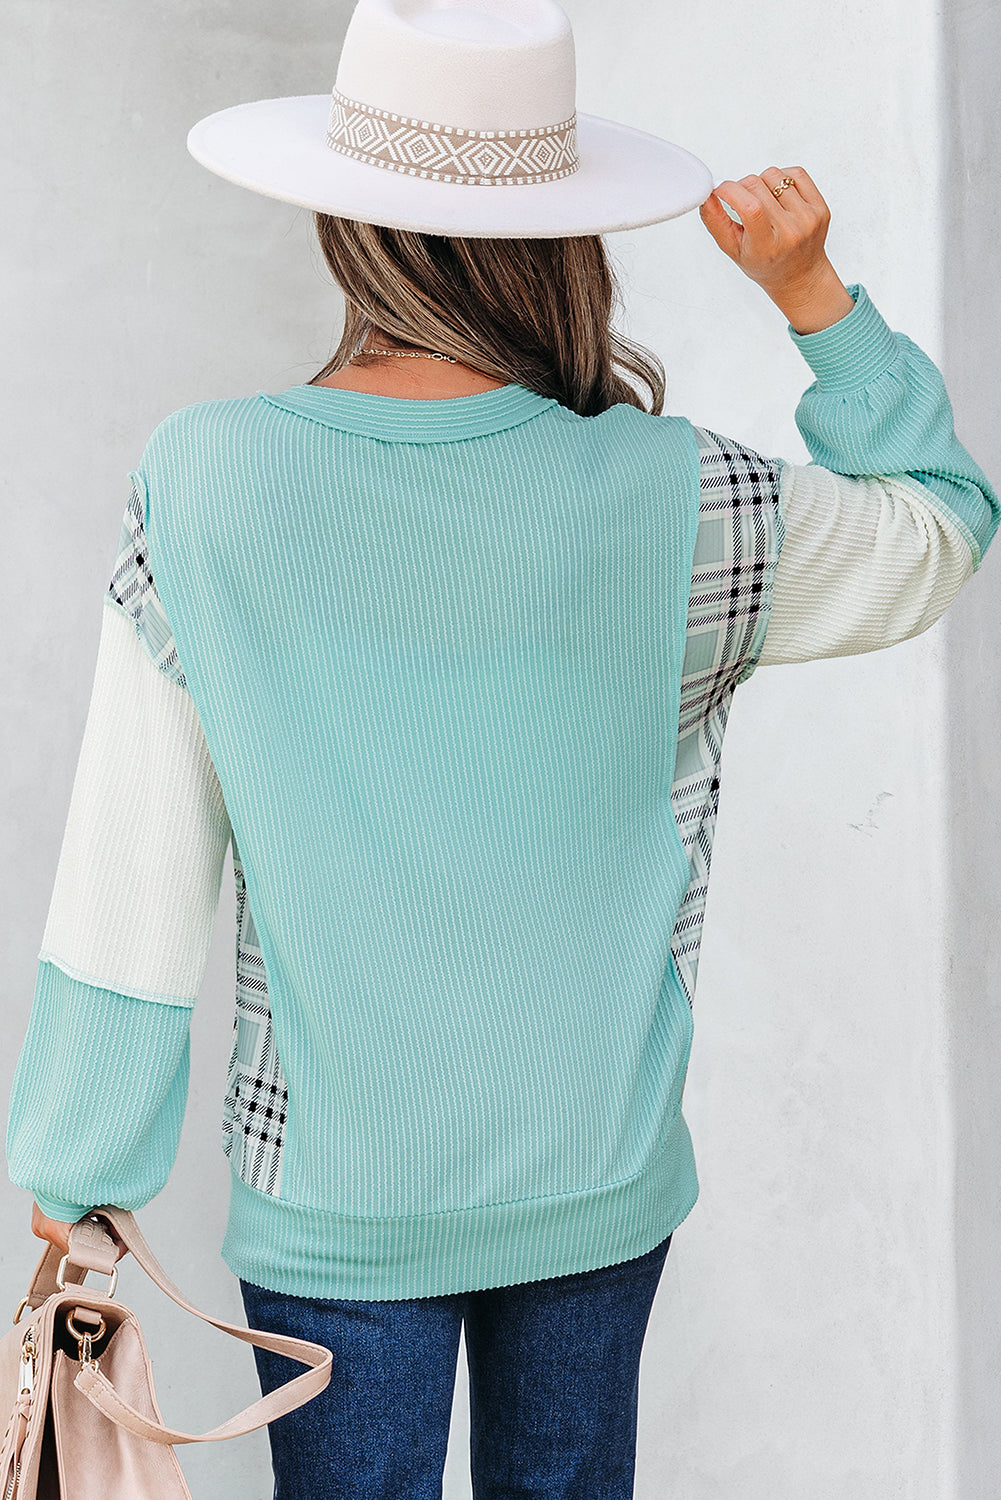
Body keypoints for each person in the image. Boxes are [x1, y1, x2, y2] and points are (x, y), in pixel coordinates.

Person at [6, 1, 997, 1496]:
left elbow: (133, 853)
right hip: (596, 1170)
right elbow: (935, 532)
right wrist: (813, 299)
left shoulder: (207, 477)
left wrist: (82, 1163)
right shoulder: (683, 496)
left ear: (347, 225)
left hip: (335, 1193)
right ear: (562, 235)